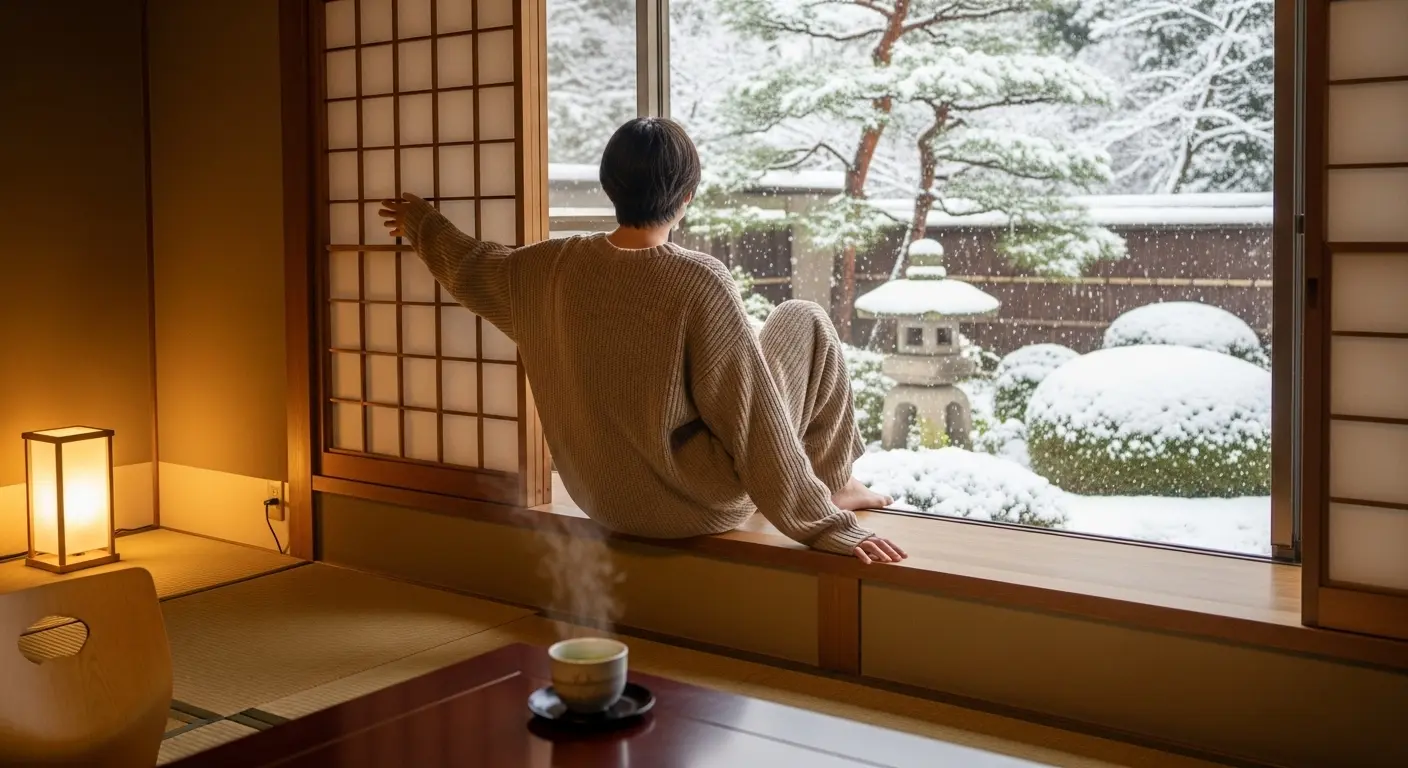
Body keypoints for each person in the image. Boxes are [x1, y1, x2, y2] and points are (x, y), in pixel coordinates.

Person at [379, 117, 906, 564]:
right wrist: (826, 525)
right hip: (693, 505)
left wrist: (422, 222)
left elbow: (469, 266)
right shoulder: (697, 279)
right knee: (802, 317)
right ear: (687, 196)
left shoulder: (545, 267)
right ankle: (833, 481)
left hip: (602, 500)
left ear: (610, 185)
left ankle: (826, 485)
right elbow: (753, 420)